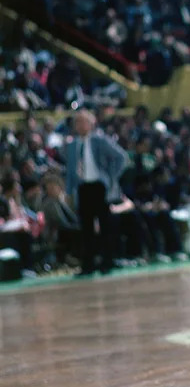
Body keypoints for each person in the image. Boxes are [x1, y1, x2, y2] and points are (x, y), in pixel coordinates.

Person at [63, 109, 128, 276]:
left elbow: (121, 157)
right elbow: (70, 170)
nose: (80, 125)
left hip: (100, 187)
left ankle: (107, 261)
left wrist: (110, 176)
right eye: (77, 122)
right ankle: (88, 264)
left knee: (105, 225)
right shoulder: (72, 145)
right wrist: (69, 191)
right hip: (83, 187)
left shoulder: (100, 140)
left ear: (91, 124)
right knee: (86, 228)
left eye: (84, 122)